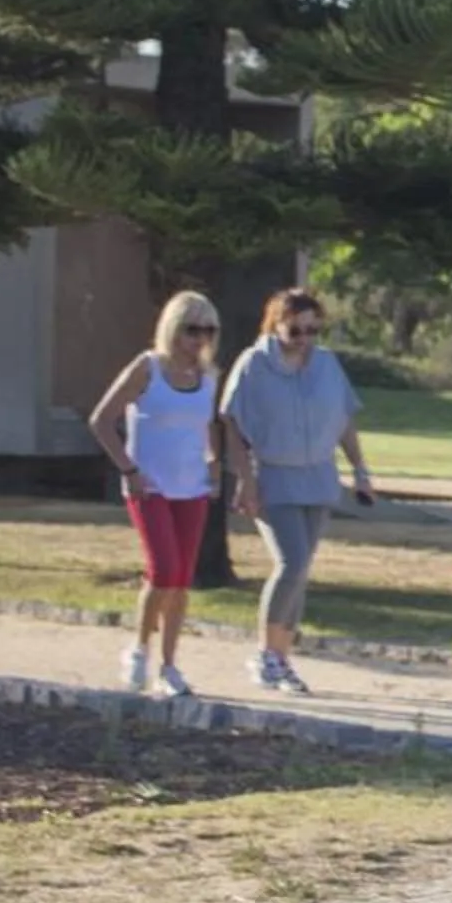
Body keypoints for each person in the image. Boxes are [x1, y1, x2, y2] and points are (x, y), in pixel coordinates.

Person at [220, 288, 373, 695]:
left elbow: (344, 420)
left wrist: (360, 470)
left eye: (312, 330)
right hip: (273, 476)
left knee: (301, 571)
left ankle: (282, 659)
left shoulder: (326, 364)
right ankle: (264, 655)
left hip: (318, 477)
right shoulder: (254, 364)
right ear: (276, 325)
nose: (304, 339)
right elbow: (232, 422)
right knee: (291, 562)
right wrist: (244, 478)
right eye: (295, 331)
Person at [84, 292, 225, 698]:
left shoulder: (208, 377)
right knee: (163, 569)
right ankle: (139, 649)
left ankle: (169, 665)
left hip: (192, 487)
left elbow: (207, 427)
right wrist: (129, 469)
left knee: (181, 579)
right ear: (172, 328)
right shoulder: (147, 368)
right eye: (191, 329)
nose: (199, 339)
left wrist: (214, 466)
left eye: (208, 330)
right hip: (150, 487)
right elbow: (101, 421)